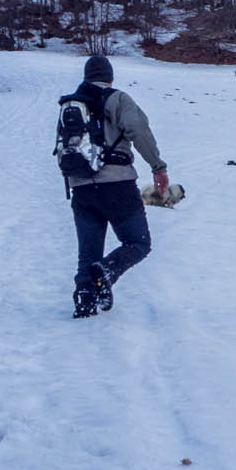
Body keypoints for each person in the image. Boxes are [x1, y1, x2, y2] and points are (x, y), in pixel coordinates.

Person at [67, 54, 168, 317]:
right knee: (138, 242)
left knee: (87, 256)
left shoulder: (73, 105)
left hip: (81, 189)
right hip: (118, 186)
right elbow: (139, 130)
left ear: (86, 77)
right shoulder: (118, 99)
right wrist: (157, 166)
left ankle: (84, 306)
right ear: (110, 78)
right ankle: (108, 270)